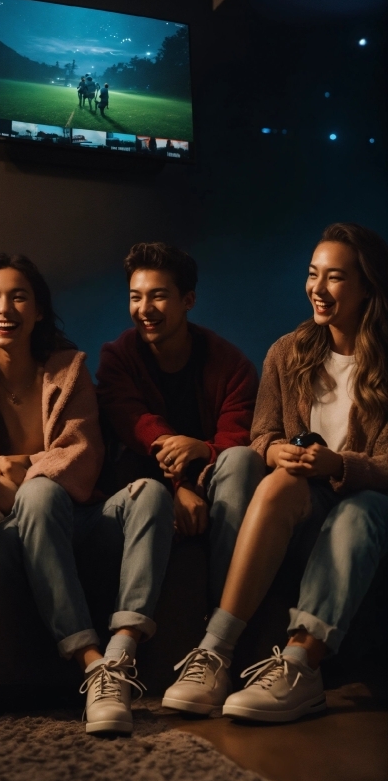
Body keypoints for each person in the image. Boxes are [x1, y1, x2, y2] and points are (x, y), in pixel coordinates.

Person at [0, 254, 174, 735]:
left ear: (40, 310)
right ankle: (92, 664)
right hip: (16, 526)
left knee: (150, 492)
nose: (5, 308)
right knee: (41, 496)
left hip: (83, 515)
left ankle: (120, 653)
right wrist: (25, 482)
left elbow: (83, 455)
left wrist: (23, 465)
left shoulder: (69, 370)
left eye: (19, 296)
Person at [162, 222, 388, 722]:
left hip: (370, 518)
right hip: (305, 512)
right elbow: (260, 435)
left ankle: (301, 667)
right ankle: (217, 652)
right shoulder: (288, 352)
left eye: (335, 278)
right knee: (276, 478)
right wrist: (278, 453)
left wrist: (339, 464)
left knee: (363, 509)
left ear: (368, 285)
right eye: (313, 275)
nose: (318, 288)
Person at [96, 242, 262, 609]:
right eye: (135, 297)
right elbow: (137, 425)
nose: (144, 310)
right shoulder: (118, 359)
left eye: (158, 296)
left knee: (241, 461)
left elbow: (240, 438)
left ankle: (225, 616)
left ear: (188, 300)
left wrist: (203, 450)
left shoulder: (231, 365)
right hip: (138, 490)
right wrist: (178, 487)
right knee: (150, 488)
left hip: (214, 489)